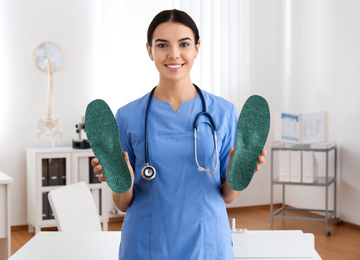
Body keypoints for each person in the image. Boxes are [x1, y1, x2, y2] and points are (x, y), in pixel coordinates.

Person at [92, 9, 266, 259]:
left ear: (197, 48)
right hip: (146, 243)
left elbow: (228, 196)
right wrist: (124, 180)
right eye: (162, 45)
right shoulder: (127, 116)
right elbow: (121, 204)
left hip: (207, 242)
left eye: (184, 44)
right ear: (149, 50)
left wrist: (242, 173)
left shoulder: (224, 112)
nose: (174, 54)